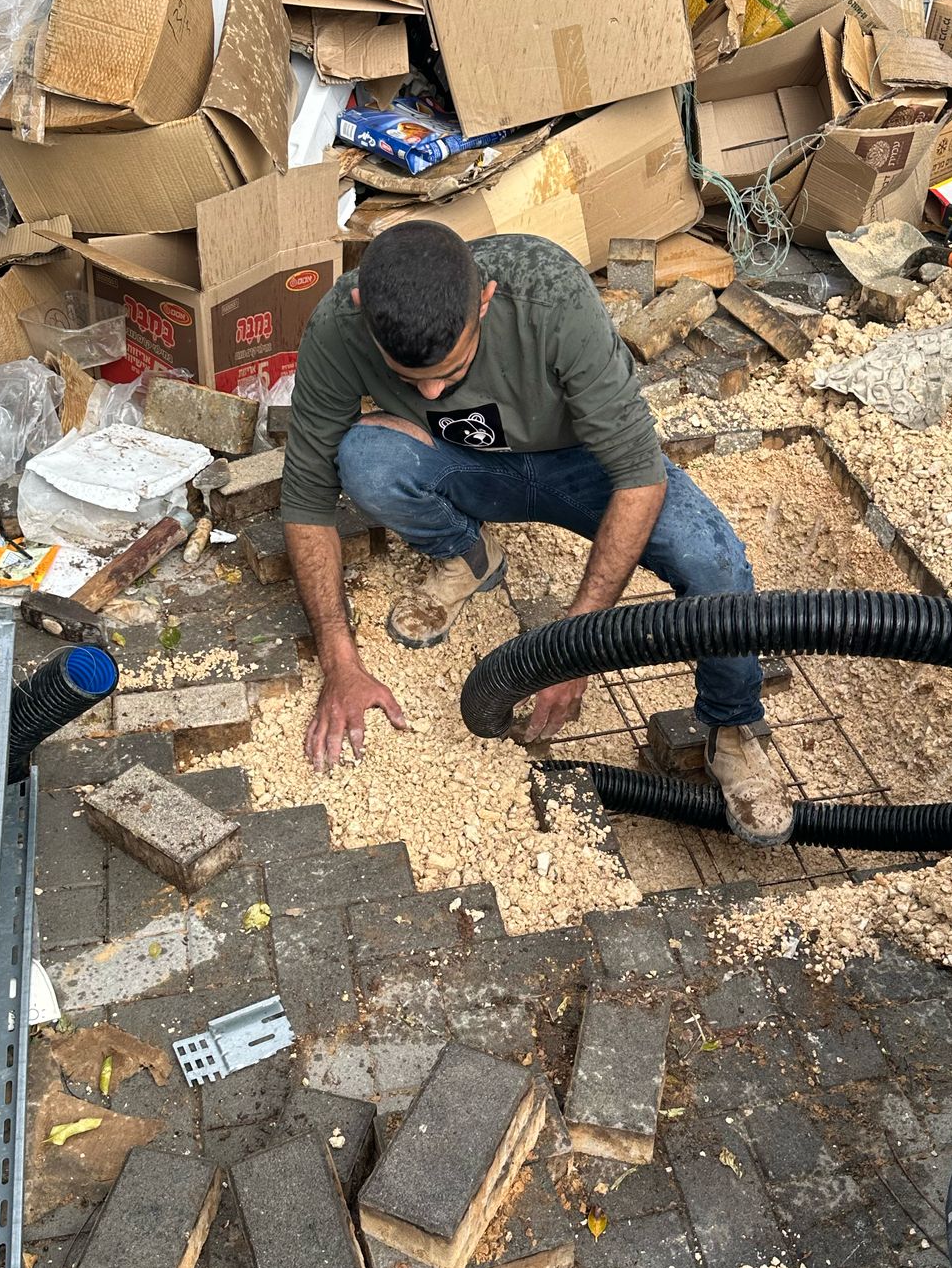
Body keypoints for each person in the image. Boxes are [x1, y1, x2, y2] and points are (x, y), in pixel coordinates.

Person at [277, 221, 795, 844]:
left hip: (581, 464)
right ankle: (469, 554)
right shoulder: (340, 322)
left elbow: (639, 476)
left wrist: (574, 646)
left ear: (486, 300)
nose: (433, 391)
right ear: (364, 308)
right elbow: (305, 499)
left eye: (452, 368)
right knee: (365, 461)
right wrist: (340, 663)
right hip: (468, 462)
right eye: (410, 379)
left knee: (715, 565)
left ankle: (732, 725)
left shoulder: (550, 295)